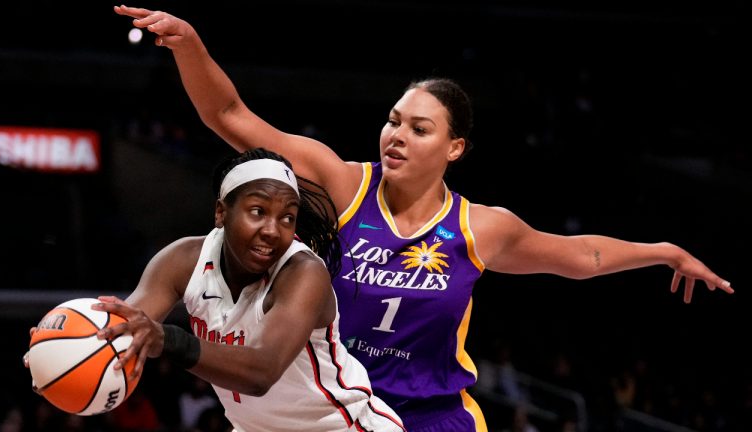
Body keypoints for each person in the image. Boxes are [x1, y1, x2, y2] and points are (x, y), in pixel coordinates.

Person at [114, 6, 735, 431]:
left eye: (419, 128)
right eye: (392, 120)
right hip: (336, 408)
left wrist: (662, 250)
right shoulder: (341, 182)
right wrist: (189, 44)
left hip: (437, 416)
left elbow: (580, 257)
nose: (397, 135)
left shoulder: (479, 228)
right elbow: (232, 117)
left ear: (454, 147)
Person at [27, 148, 405, 432]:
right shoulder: (182, 260)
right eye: (258, 211)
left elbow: (261, 371)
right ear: (222, 213)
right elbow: (128, 331)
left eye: (286, 218)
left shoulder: (303, 273)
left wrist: (168, 339)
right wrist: (66, 352)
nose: (273, 230)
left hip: (343, 427)